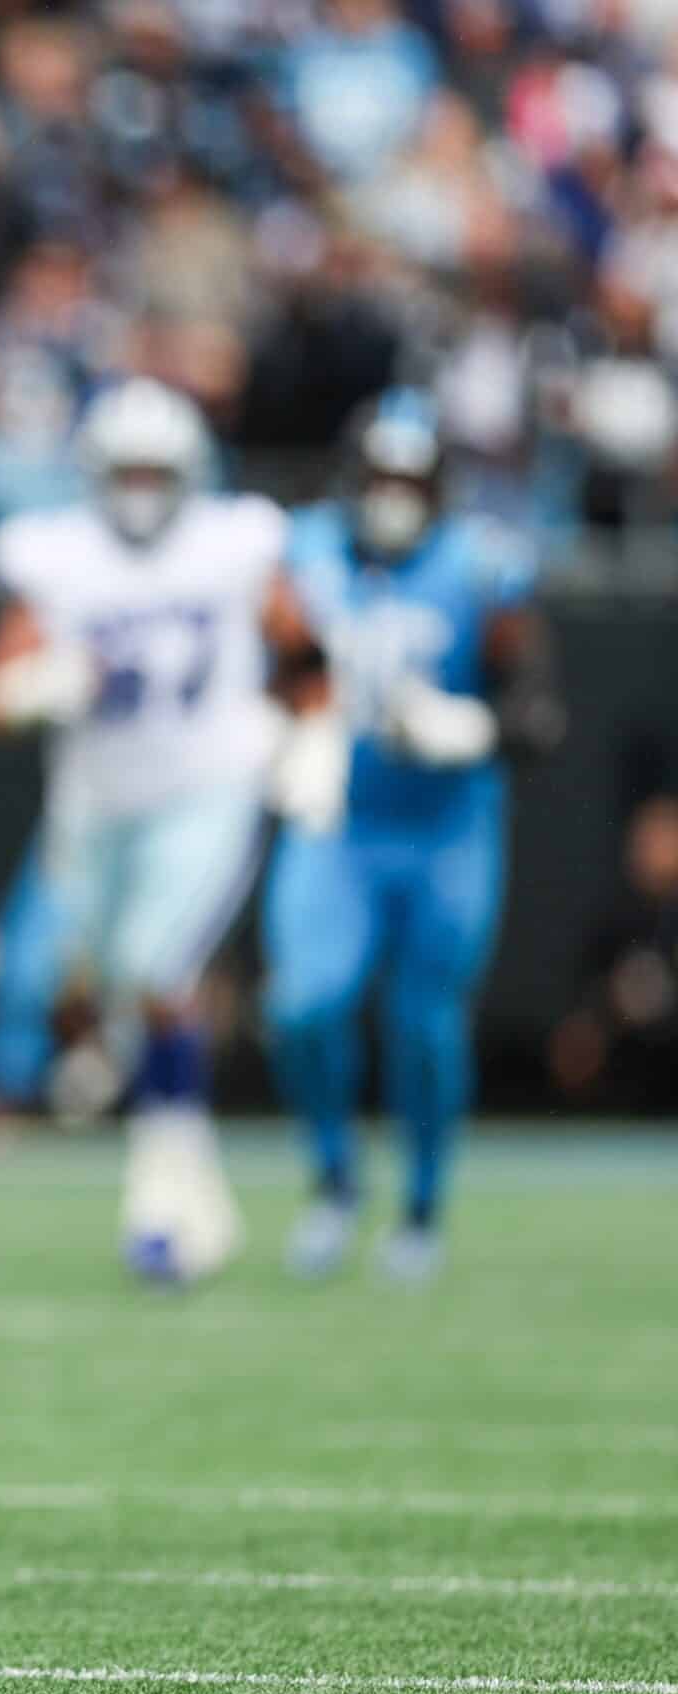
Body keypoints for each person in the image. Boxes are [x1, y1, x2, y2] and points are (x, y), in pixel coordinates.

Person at [0, 378, 320, 1285]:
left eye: (155, 472)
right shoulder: (59, 554)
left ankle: (161, 1203)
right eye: (125, 471)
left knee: (162, 975)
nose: (139, 489)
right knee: (106, 989)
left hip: (207, 788)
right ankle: (195, 1189)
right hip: (96, 804)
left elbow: (304, 648)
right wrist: (35, 687)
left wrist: (314, 735)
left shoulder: (234, 543)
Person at [265, 390, 560, 1283]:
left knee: (425, 1025)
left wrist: (471, 727)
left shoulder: (481, 565)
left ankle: (423, 1207)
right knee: (304, 1006)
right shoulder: (304, 551)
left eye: (409, 480)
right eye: (379, 476)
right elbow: (281, 661)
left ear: (438, 488)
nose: (391, 496)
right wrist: (298, 726)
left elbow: (539, 712)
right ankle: (335, 1181)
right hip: (340, 825)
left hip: (445, 831)